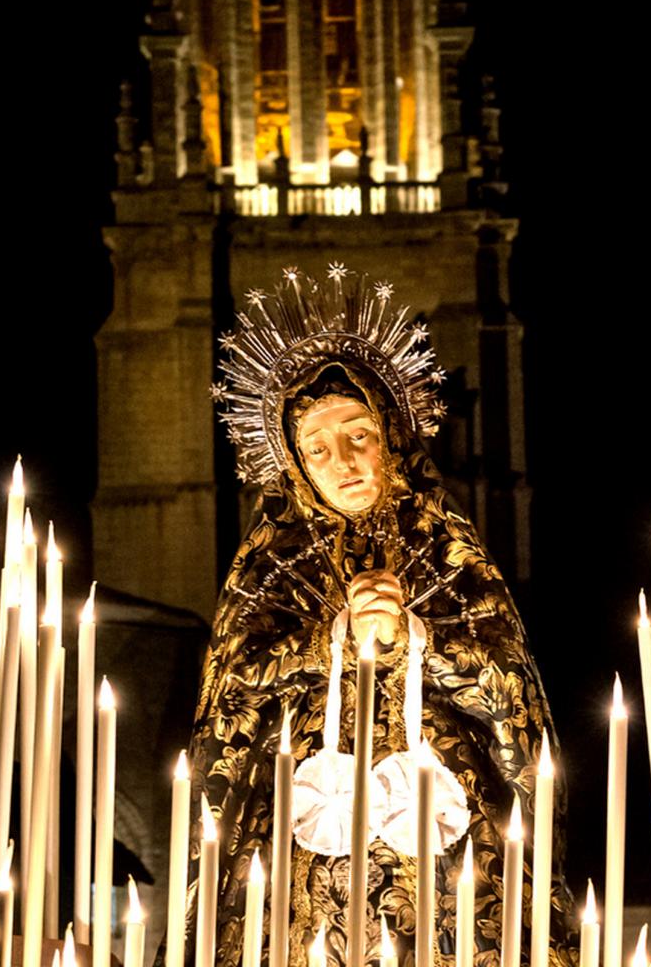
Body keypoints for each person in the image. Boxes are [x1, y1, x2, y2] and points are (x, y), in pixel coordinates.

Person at [182, 266, 578, 966]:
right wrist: (329, 641)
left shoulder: (450, 553)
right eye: (317, 448)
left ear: (392, 433)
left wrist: (417, 639)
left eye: (357, 434)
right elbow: (233, 696)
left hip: (451, 850)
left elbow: (511, 692)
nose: (343, 461)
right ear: (297, 464)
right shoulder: (270, 566)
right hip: (303, 856)